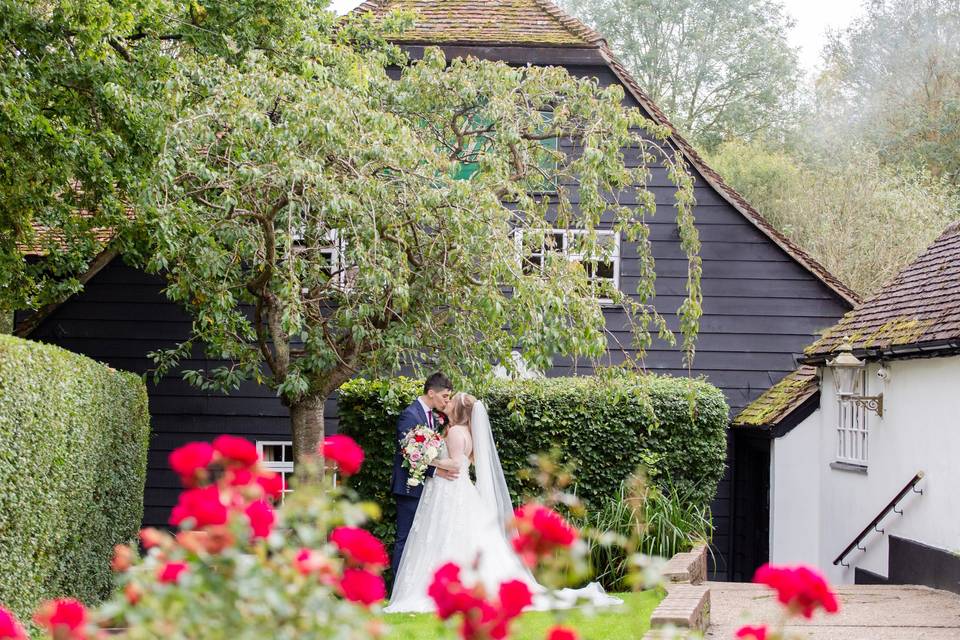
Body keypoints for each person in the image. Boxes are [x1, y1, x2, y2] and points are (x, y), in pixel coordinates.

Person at [385, 392, 620, 613]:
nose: (449, 403)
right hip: (458, 489)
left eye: (452, 401)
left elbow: (456, 464)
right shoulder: (467, 432)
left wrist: (430, 460)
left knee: (445, 537)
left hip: (451, 489)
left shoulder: (456, 431)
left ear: (459, 409)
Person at [390, 372, 457, 582]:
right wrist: (437, 470)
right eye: (445, 396)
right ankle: (398, 588)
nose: (447, 401)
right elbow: (408, 454)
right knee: (405, 537)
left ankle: (414, 584)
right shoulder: (410, 415)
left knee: (420, 538)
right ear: (431, 393)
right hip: (409, 488)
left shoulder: (432, 416)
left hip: (426, 487)